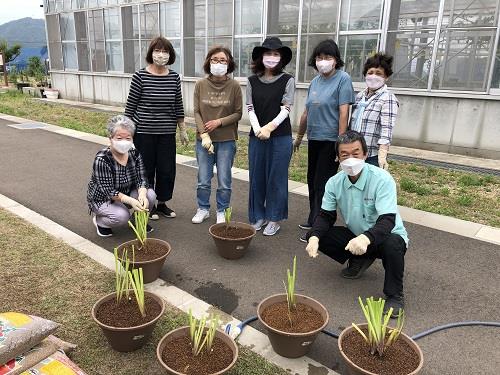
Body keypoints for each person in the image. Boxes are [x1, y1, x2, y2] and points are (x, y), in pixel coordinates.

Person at [304, 130, 408, 316]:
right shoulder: (334, 183)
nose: (350, 159)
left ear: (366, 154)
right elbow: (326, 216)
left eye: (356, 153)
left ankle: (395, 296)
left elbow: (387, 220)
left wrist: (367, 238)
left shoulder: (382, 179)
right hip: (357, 235)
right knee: (317, 234)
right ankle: (361, 258)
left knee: (393, 243)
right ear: (337, 158)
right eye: (344, 155)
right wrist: (313, 237)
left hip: (385, 235)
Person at [294, 39, 355, 241]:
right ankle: (314, 218)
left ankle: (319, 229)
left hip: (331, 141)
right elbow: (306, 112)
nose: (323, 61)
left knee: (323, 184)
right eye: (319, 58)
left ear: (336, 60)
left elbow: (343, 112)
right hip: (315, 138)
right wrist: (299, 137)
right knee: (312, 180)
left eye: (328, 57)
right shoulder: (315, 82)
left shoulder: (343, 79)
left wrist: (341, 143)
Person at [125, 36, 188, 221]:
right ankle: (148, 204)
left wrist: (182, 128)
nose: (161, 55)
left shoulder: (174, 77)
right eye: (157, 51)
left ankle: (162, 203)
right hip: (143, 132)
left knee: (166, 170)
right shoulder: (140, 76)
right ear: (151, 53)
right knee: (146, 169)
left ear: (170, 55)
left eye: (165, 51)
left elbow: (178, 104)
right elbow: (130, 107)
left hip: (167, 133)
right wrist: (127, 133)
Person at [247, 37, 295, 236]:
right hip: (256, 136)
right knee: (257, 177)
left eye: (276, 54)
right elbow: (250, 108)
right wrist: (259, 129)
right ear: (261, 56)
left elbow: (286, 108)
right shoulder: (251, 81)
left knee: (276, 178)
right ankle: (258, 215)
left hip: (281, 137)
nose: (272, 57)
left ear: (281, 58)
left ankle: (274, 218)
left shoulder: (288, 80)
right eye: (268, 53)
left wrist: (270, 127)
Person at [192, 46, 242, 224]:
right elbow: (196, 111)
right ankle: (203, 208)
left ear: (229, 64)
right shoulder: (200, 84)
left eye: (223, 60)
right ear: (208, 62)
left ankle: (222, 209)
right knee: (203, 179)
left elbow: (238, 113)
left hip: (226, 140)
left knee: (224, 180)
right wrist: (203, 134)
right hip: (204, 141)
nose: (218, 63)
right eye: (215, 59)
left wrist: (219, 122)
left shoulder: (234, 85)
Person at [87, 115, 155, 237]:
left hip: (127, 191)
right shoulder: (102, 159)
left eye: (128, 138)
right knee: (122, 216)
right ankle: (101, 222)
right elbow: (108, 190)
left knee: (150, 195)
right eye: (119, 138)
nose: (124, 142)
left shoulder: (134, 153)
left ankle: (137, 220)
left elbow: (142, 177)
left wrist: (142, 194)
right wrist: (129, 200)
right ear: (110, 138)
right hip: (103, 198)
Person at [349, 53, 398, 170]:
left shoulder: (388, 98)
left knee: (369, 187)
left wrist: (382, 155)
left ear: (386, 77)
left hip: (372, 156)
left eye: (378, 73)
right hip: (354, 153)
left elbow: (387, 129)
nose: (373, 76)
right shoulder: (360, 96)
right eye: (370, 73)